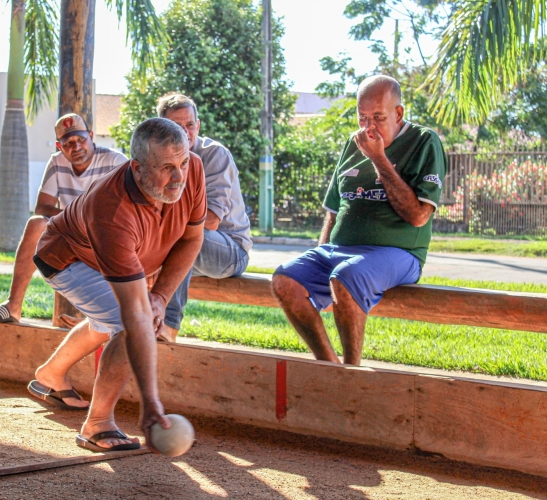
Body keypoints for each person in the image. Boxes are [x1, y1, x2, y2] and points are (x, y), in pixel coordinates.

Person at [29, 118, 206, 451]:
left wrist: (161, 296)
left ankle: (50, 375)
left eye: (183, 162)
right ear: (137, 168)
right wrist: (150, 401)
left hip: (105, 259)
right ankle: (97, 425)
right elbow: (135, 315)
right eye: (167, 167)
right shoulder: (111, 211)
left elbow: (192, 238)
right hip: (68, 259)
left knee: (112, 320)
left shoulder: (192, 169)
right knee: (127, 326)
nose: (180, 176)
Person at [271, 75, 447, 366]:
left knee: (345, 276)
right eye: (362, 117)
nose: (368, 127)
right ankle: (330, 366)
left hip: (399, 254)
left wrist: (379, 159)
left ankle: (351, 372)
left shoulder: (423, 141)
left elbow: (418, 216)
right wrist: (320, 253)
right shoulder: (353, 143)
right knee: (284, 279)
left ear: (399, 113)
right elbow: (333, 211)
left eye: (378, 117)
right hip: (340, 252)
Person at [0, 113, 127, 323]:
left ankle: (97, 321)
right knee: (36, 224)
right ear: (60, 146)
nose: (76, 147)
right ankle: (13, 305)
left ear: (91, 136)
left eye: (81, 140)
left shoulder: (115, 161)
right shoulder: (57, 162)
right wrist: (78, 220)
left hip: (107, 238)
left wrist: (90, 223)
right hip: (74, 235)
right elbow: (42, 207)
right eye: (68, 143)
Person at [156, 93, 252, 342]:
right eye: (177, 126)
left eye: (190, 125)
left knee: (182, 234)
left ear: (197, 126)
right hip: (189, 252)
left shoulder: (213, 155)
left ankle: (168, 325)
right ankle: (110, 318)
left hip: (230, 251)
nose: (185, 132)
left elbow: (211, 221)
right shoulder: (156, 158)